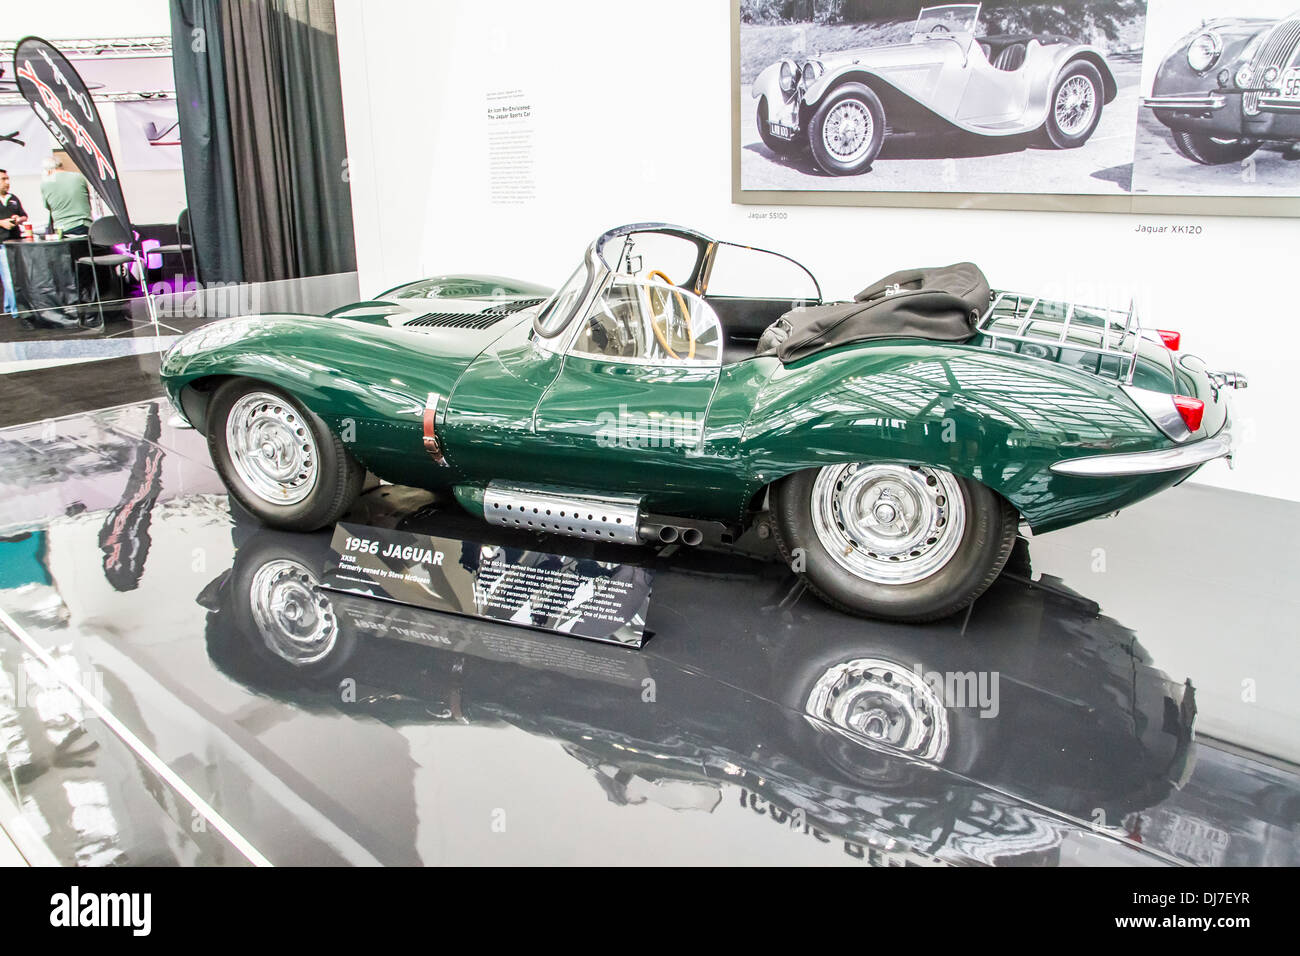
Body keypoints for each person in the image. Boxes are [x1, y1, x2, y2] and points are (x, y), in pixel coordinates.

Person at [39, 156, 93, 236]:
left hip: (62, 227)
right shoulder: (79, 177)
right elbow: (87, 199)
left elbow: (47, 206)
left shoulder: (45, 183)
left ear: (47, 170)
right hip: (85, 224)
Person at [0, 168, 26, 317]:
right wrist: (1, 223)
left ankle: (9, 308)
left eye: (7, 179)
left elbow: (24, 216)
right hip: (2, 244)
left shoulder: (13, 198)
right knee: (9, 278)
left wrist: (18, 219)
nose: (7, 182)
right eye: (3, 179)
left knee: (12, 277)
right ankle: (17, 312)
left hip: (15, 242)